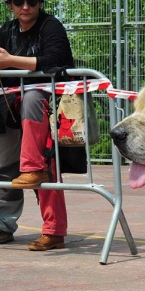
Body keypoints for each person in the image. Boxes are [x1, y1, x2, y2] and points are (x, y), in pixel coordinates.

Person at [0, 0, 74, 250]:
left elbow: (56, 59)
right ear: (9, 4)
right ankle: (2, 225)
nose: (25, 6)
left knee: (45, 166)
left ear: (40, 3)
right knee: (4, 166)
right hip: (8, 106)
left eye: (32, 1)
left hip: (44, 105)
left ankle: (54, 231)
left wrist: (10, 60)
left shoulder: (51, 26)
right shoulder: (6, 29)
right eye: (18, 1)